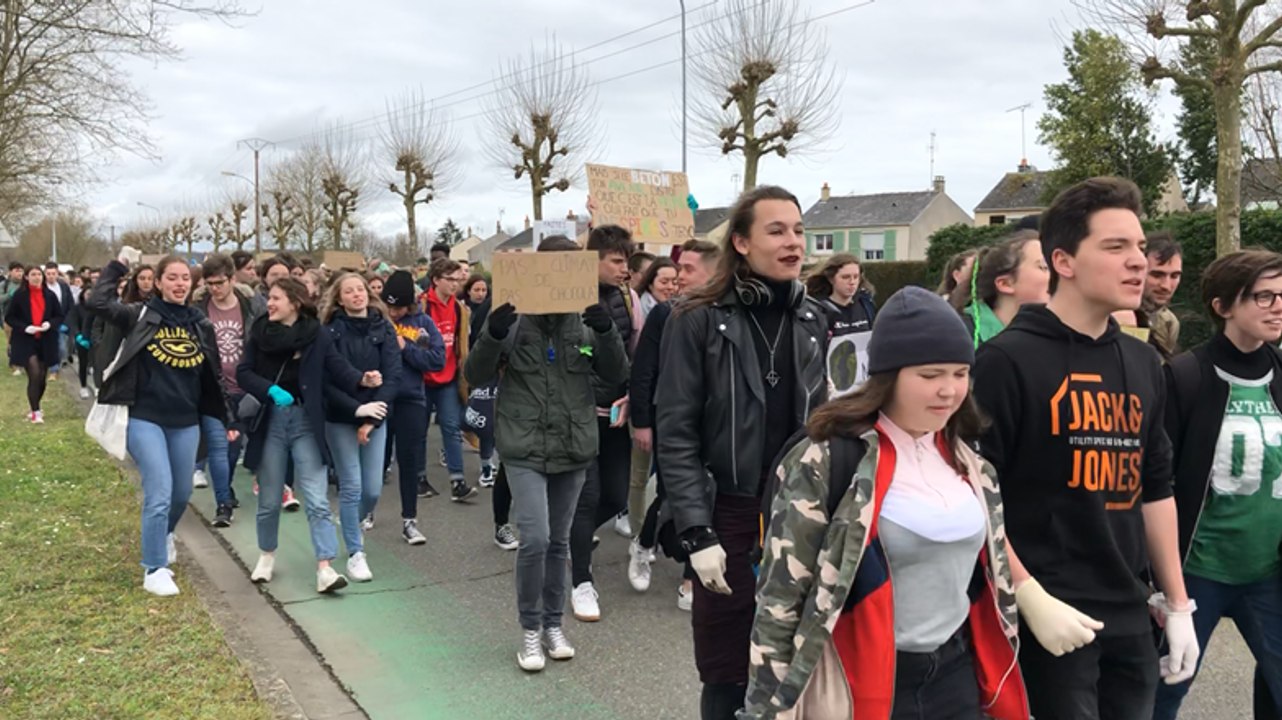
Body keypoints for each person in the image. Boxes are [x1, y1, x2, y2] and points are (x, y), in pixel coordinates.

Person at [743, 286, 1028, 719]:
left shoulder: (972, 464)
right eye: (930, 375)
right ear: (888, 376)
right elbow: (781, 595)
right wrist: (765, 708)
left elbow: (991, 572)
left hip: (956, 672)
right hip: (863, 678)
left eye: (959, 373)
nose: (949, 391)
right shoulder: (828, 458)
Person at [972, 177, 1197, 720]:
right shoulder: (1006, 361)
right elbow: (975, 492)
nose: (1138, 262)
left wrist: (1178, 601)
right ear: (1064, 262)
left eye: (1140, 247)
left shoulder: (1145, 363)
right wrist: (1027, 595)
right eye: (1116, 247)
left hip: (1130, 612)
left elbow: (1156, 487)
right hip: (1048, 618)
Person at [657, 186, 828, 719]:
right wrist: (695, 529)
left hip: (799, 510)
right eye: (776, 231)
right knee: (727, 664)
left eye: (798, 230)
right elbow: (676, 430)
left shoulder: (813, 319)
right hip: (725, 511)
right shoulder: (696, 319)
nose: (793, 241)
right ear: (741, 242)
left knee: (797, 656)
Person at [464, 234, 629, 673]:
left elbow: (617, 374)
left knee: (559, 541)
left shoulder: (587, 320)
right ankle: (530, 629)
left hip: (573, 445)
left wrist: (608, 331)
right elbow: (475, 374)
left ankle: (554, 623)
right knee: (534, 538)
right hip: (523, 444)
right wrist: (492, 334)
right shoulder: (513, 319)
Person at [1155, 249, 1282, 719]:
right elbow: (1158, 482)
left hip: (1268, 572)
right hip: (1199, 572)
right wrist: (1164, 587)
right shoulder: (1185, 376)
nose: (1278, 306)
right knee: (1163, 691)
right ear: (1223, 306)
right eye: (1264, 296)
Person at [89, 249, 233, 597]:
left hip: (185, 419)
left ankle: (163, 533)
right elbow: (98, 302)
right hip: (144, 417)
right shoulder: (139, 314)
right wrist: (117, 267)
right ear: (157, 282)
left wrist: (224, 414)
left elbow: (211, 373)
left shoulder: (199, 324)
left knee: (181, 494)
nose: (180, 284)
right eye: (172, 277)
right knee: (159, 491)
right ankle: (154, 568)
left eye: (185, 278)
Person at [237, 277, 369, 594]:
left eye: (276, 298)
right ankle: (266, 556)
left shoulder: (316, 334)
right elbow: (243, 372)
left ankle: (325, 568)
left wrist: (361, 380)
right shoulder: (259, 333)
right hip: (271, 423)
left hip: (306, 422)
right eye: (269, 298)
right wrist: (268, 389)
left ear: (294, 303)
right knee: (269, 499)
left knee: (316, 497)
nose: (269, 303)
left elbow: (335, 367)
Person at [628, 238, 720, 606]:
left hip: (714, 423)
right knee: (673, 496)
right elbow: (644, 370)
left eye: (687, 269)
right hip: (672, 421)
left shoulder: (728, 314)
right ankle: (644, 542)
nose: (678, 276)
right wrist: (643, 421)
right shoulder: (665, 314)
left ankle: (690, 582)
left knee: (708, 496)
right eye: (678, 269)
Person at [570, 224, 642, 622]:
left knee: (616, 498)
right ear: (591, 260)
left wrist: (630, 393)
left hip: (617, 414)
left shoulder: (626, 297)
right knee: (588, 498)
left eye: (626, 261)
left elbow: (628, 352)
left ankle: (566, 541)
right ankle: (581, 582)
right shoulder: (568, 297)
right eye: (616, 260)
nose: (623, 268)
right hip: (582, 416)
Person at [321, 272, 400, 581]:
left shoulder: (384, 328)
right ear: (339, 299)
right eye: (349, 291)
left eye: (361, 290)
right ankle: (356, 552)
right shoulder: (329, 332)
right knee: (351, 485)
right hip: (341, 417)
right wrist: (356, 409)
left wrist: (371, 419)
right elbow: (328, 380)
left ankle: (350, 521)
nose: (357, 295)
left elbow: (393, 374)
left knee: (372, 489)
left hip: (376, 416)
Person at [193, 253, 267, 527]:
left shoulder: (252, 307)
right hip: (213, 388)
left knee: (234, 447)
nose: (215, 289)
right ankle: (223, 504)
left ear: (232, 279)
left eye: (220, 283)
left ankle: (228, 488)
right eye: (210, 283)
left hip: (245, 387)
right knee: (218, 446)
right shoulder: (198, 309)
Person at [381, 270, 446, 544]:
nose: (393, 312)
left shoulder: (423, 324)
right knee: (377, 461)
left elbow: (437, 359)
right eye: (389, 306)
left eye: (398, 307)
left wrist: (405, 348)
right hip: (380, 399)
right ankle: (366, 511)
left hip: (411, 400)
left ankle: (410, 520)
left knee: (409, 461)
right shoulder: (377, 321)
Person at [418, 259, 479, 502]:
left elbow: (461, 342)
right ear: (435, 280)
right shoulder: (422, 306)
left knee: (452, 428)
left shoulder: (459, 310)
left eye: (457, 280)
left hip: (449, 377)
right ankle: (420, 478)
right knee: (419, 431)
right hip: (422, 378)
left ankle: (457, 480)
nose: (455, 284)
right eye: (449, 279)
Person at [951, 230, 1050, 347]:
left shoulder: (1053, 334)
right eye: (1045, 267)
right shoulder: (955, 335)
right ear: (1005, 283)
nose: (1060, 274)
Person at [805, 253, 877, 398]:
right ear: (832, 279)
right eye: (845, 277)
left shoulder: (866, 305)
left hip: (862, 388)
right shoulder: (820, 311)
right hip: (833, 390)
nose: (852, 282)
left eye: (856, 277)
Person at [4, 265, 63, 422]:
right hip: (26, 340)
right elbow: (10, 317)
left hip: (45, 340)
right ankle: (36, 412)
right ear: (27, 277)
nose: (37, 277)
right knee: (34, 373)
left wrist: (49, 324)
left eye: (39, 274)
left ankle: (35, 407)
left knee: (42, 377)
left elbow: (58, 315)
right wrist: (25, 327)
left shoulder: (49, 296)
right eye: (33, 274)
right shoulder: (19, 295)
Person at [1143, 232, 1184, 360]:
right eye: (1157, 275)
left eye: (1174, 276)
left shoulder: (1169, 322)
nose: (1166, 286)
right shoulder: (1115, 317)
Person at [44, 262, 74, 380]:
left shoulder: (63, 286)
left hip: (62, 321)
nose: (51, 276)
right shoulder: (42, 287)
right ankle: (53, 369)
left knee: (62, 348)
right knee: (50, 346)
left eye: (53, 273)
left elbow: (70, 305)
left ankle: (56, 364)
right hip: (47, 322)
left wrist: (67, 322)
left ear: (57, 274)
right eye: (48, 274)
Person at [66, 286, 95, 399]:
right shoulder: (77, 308)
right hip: (82, 339)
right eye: (88, 294)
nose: (89, 297)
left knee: (97, 364)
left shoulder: (99, 308)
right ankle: (83, 386)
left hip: (96, 340)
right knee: (83, 363)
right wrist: (78, 335)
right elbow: (73, 322)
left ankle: (97, 387)